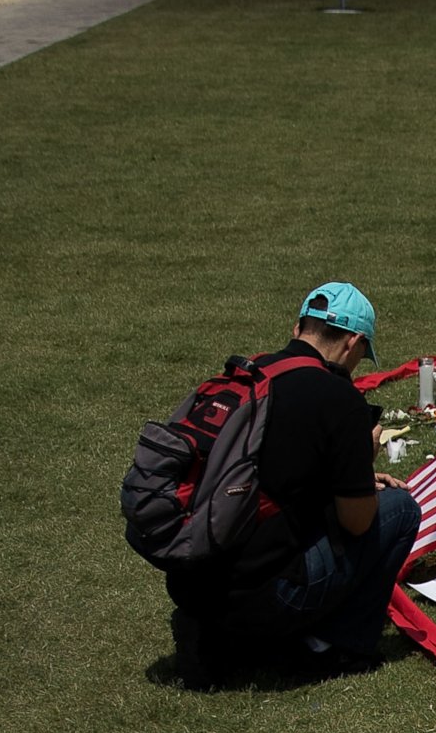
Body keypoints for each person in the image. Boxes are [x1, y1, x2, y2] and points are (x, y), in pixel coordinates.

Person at [167, 282, 418, 687]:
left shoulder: (248, 373)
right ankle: (330, 646)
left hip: (191, 575)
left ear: (298, 326)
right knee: (401, 509)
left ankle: (215, 633)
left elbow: (270, 473)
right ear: (353, 343)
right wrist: (361, 460)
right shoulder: (340, 399)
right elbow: (356, 522)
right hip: (262, 593)